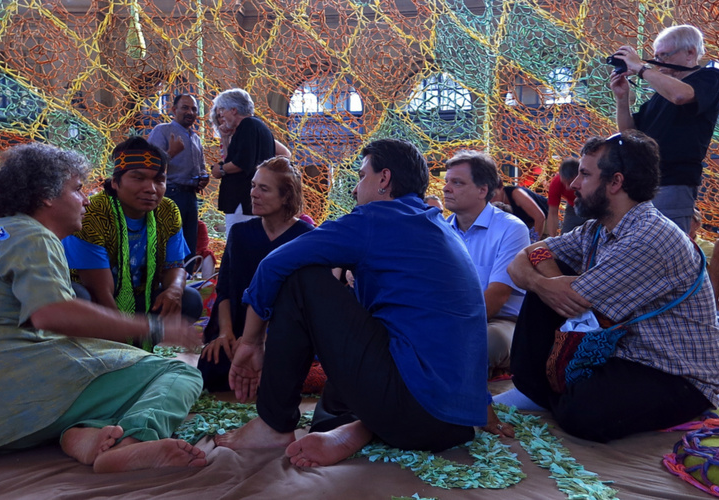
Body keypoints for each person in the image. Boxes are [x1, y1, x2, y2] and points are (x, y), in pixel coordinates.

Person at [216, 139, 507, 467]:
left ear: (384, 179)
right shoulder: (436, 223)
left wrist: (252, 342)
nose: (355, 190)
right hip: (455, 425)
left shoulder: (376, 218)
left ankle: (273, 424)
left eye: (360, 176)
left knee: (301, 279)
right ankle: (359, 427)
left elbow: (273, 264)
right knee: (368, 323)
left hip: (412, 410)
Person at [0, 142, 206, 472]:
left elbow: (175, 265)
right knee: (178, 372)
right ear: (45, 196)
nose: (84, 199)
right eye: (77, 189)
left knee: (116, 365)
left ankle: (81, 435)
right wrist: (152, 327)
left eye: (158, 180)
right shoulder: (33, 235)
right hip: (14, 388)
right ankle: (135, 442)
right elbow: (52, 312)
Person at [501, 131, 719, 442]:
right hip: (626, 354)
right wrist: (545, 282)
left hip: (678, 375)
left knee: (582, 415)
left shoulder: (649, 237)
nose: (574, 185)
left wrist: (546, 282)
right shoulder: (597, 228)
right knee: (546, 284)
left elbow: (573, 298)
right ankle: (537, 392)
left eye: (584, 174)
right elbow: (521, 259)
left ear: (615, 182)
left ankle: (547, 394)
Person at [196, 157, 314, 392]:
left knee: (277, 378)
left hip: (281, 332)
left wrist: (261, 340)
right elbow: (225, 289)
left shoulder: (304, 236)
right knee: (212, 370)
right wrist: (225, 333)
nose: (253, 194)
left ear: (286, 196)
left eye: (264, 188)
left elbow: (305, 301)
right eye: (253, 186)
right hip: (237, 326)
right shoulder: (239, 233)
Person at [65, 137, 203, 336]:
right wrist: (124, 340)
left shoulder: (168, 210)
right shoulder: (94, 212)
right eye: (138, 178)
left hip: (141, 297)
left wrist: (174, 290)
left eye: (159, 180)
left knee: (188, 299)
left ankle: (146, 344)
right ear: (115, 182)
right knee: (79, 296)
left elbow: (175, 266)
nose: (151, 188)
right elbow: (100, 292)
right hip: (96, 301)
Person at [608, 24, 719, 234]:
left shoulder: (709, 78)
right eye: (656, 56)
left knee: (667, 249)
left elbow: (680, 96)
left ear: (690, 53)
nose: (658, 63)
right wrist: (621, 98)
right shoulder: (659, 96)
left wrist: (642, 69)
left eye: (664, 56)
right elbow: (630, 135)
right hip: (645, 183)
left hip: (674, 182)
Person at [443, 151, 531, 372]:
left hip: (501, 322)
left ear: (483, 190)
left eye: (457, 182)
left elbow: (496, 297)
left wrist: (445, 328)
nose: (446, 188)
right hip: (449, 320)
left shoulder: (511, 228)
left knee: (482, 343)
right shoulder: (440, 230)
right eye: (447, 181)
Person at [147, 94, 208, 263]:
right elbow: (150, 165)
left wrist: (203, 177)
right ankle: (166, 284)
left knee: (189, 244)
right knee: (169, 244)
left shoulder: (196, 138)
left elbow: (201, 167)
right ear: (173, 110)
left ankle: (185, 283)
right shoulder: (162, 131)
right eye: (185, 107)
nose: (190, 112)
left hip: (191, 197)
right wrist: (171, 153)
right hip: (170, 195)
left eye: (194, 109)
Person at [211, 89, 278, 235]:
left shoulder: (247, 126)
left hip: (243, 200)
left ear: (234, 110)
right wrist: (226, 138)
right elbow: (236, 158)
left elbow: (242, 163)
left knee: (237, 244)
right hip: (252, 200)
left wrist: (220, 169)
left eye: (222, 109)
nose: (221, 114)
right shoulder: (258, 126)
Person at [544, 157, 585, 237]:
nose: (567, 187)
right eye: (564, 183)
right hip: (573, 207)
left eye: (570, 182)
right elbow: (552, 213)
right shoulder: (556, 183)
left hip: (594, 205)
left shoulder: (590, 180)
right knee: (566, 235)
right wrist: (552, 238)